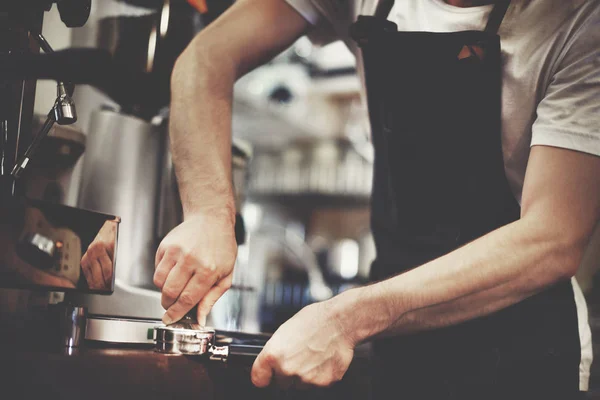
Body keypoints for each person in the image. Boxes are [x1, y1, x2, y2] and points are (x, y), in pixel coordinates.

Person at [153, 0, 600, 398]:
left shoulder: (580, 20)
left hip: (525, 352)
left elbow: (553, 238)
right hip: (399, 343)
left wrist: (351, 317)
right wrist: (210, 213)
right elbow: (206, 58)